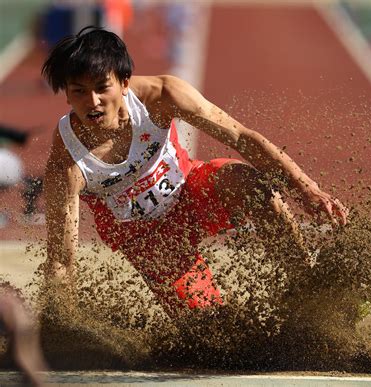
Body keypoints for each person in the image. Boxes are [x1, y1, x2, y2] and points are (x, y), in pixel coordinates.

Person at [41, 27, 348, 314]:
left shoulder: (162, 96)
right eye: (79, 91)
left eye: (101, 88)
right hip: (148, 241)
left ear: (123, 82)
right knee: (210, 330)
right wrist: (61, 327)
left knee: (248, 181)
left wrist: (306, 188)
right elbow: (61, 259)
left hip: (193, 194)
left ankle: (308, 293)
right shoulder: (66, 162)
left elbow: (241, 137)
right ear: (66, 95)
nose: (92, 102)